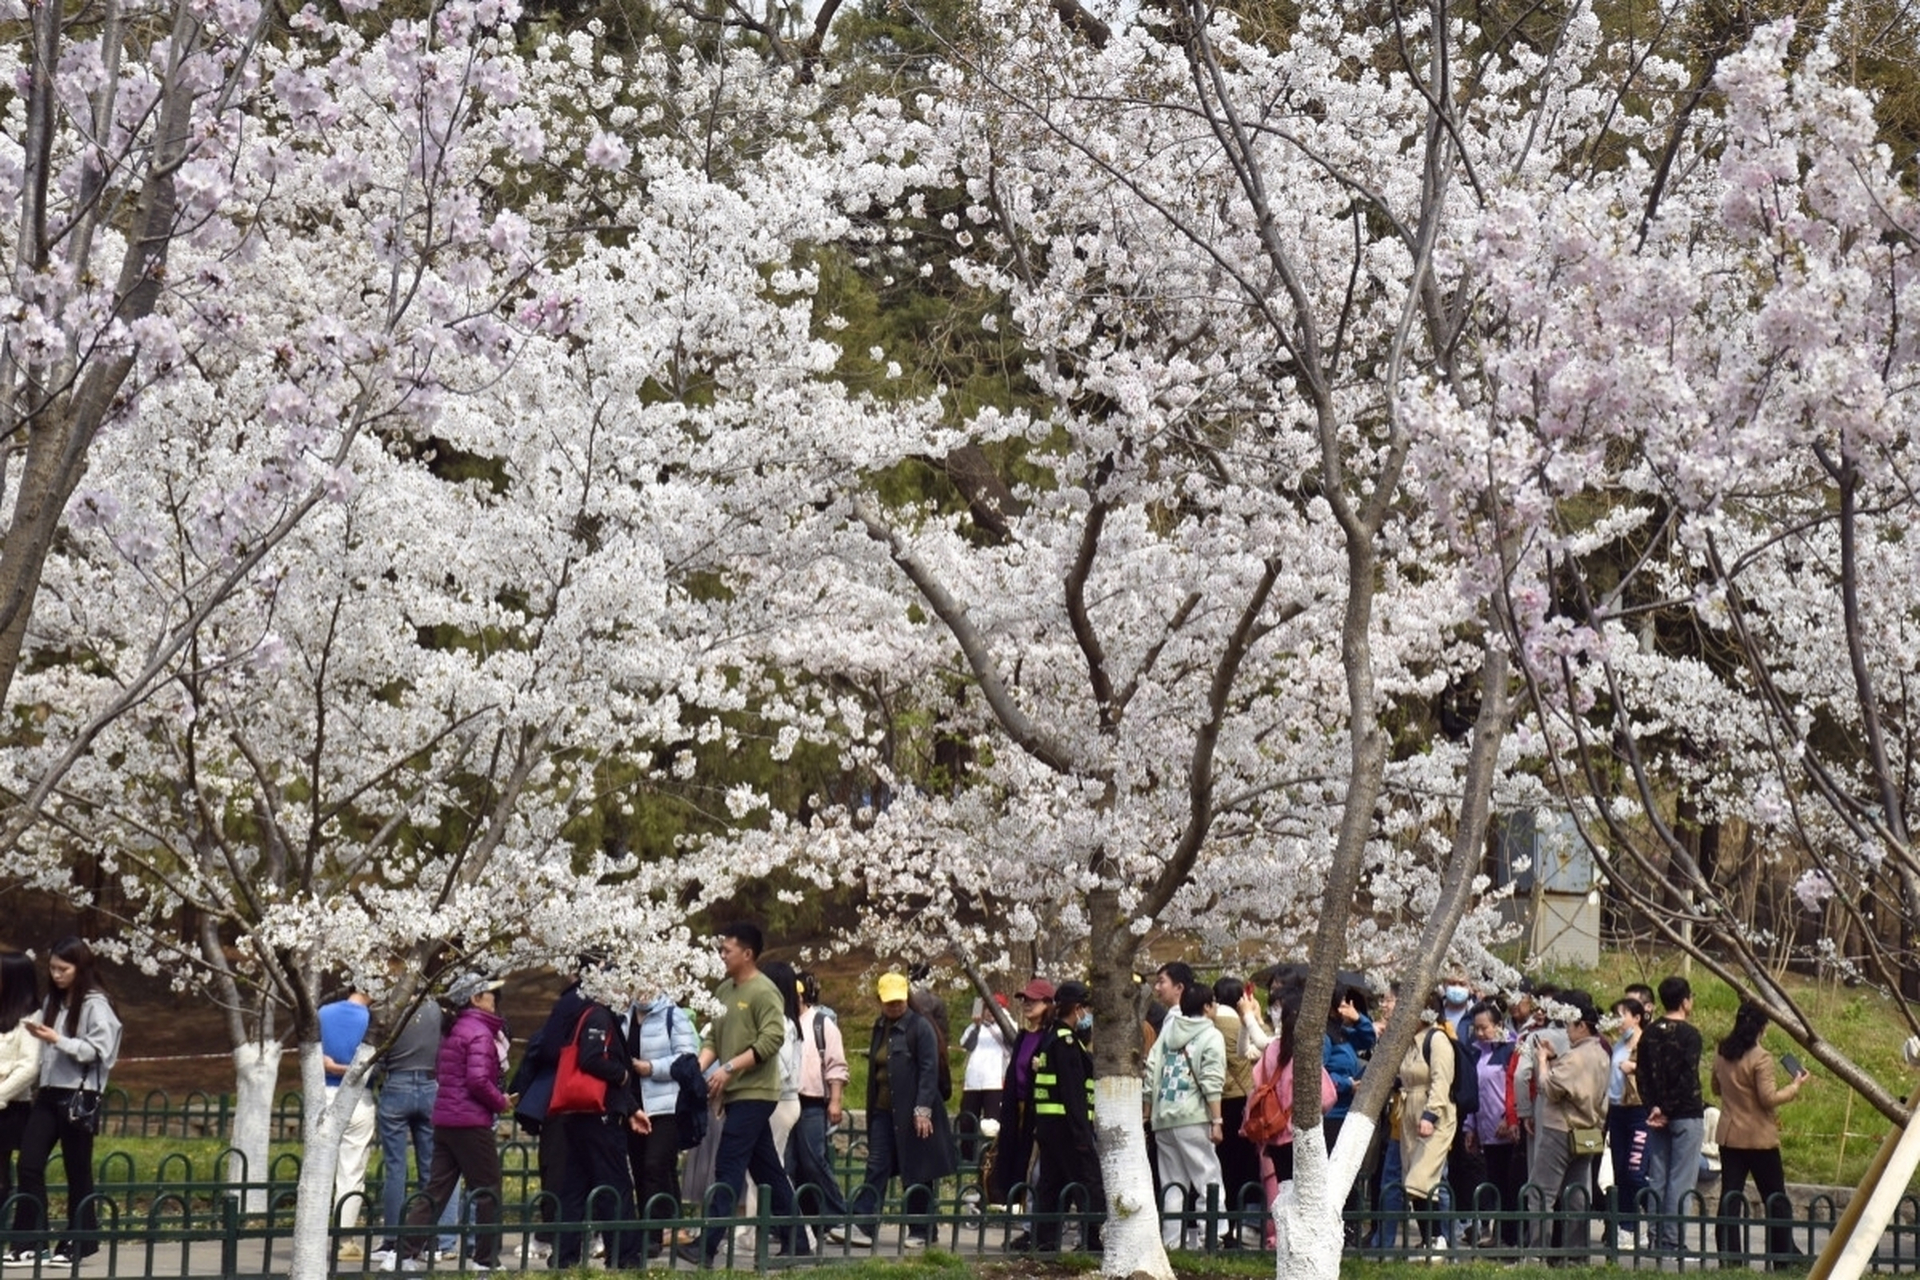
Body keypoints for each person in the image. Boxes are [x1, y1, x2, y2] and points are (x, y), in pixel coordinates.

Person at [684, 923, 805, 1265]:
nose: (721, 955)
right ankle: (798, 1242)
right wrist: (699, 1066)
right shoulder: (723, 990)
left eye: (727, 950)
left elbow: (771, 1040)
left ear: (747, 954)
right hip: (737, 1091)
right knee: (768, 1169)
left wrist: (729, 1068)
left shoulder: (765, 992)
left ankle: (706, 1247)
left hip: (757, 1091)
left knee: (728, 1164)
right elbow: (712, 1037)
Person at [388, 976, 513, 1271]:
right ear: (475, 998)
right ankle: (485, 1260)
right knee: (487, 1190)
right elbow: (478, 1080)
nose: (495, 999)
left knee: (436, 1190)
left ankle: (403, 1253)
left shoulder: (454, 1029)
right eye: (490, 994)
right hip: (470, 1121)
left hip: (446, 1119)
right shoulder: (480, 1033)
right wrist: (501, 1101)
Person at [14, 938, 121, 1264]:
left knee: (78, 1170)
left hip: (79, 1094)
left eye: (65, 969)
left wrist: (58, 1040)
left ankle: (78, 1242)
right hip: (47, 1094)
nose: (57, 974)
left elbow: (101, 1052)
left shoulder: (95, 1003)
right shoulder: (53, 1000)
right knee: (29, 1163)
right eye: (53, 968)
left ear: (81, 968)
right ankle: (30, 1241)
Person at [838, 973, 958, 1249]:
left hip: (913, 1111)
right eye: (889, 1002)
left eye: (899, 1001)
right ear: (879, 1001)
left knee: (917, 1167)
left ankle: (923, 1228)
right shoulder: (880, 1027)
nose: (894, 1007)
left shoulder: (920, 1027)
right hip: (883, 1110)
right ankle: (864, 1224)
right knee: (877, 1164)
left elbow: (929, 1070)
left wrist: (922, 1108)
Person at [1710, 1001, 1810, 1268]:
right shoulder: (1761, 1057)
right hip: (1759, 1139)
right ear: (1761, 1028)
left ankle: (1729, 1257)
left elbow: (1715, 1088)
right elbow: (1768, 1099)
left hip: (1730, 1136)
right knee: (1775, 1198)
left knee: (1730, 1197)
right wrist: (1795, 1086)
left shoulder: (1722, 1051)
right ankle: (1782, 1255)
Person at [507, 961, 593, 1255]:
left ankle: (551, 1232)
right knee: (586, 1166)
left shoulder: (571, 1000)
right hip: (594, 1096)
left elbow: (549, 1047)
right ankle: (586, 1231)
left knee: (556, 1164)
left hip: (563, 1093)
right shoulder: (601, 1001)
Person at [1527, 990, 1609, 1259]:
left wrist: (1541, 1061)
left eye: (1569, 1025)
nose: (1567, 1031)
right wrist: (1554, 1060)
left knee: (1542, 1193)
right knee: (1576, 1194)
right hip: (1587, 1131)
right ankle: (1577, 1254)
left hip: (1560, 1129)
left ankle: (1536, 1253)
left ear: (1581, 1025)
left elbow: (1549, 1088)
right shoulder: (1600, 1053)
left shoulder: (1576, 1057)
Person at [1146, 984, 1228, 1249]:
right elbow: (1211, 1081)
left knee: (1172, 1182)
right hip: (1193, 1117)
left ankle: (1172, 1241)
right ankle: (1212, 1235)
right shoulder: (1211, 1035)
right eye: (1213, 1003)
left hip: (1164, 1118)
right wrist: (1217, 1121)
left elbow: (1151, 1069)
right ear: (1206, 1007)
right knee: (1207, 1177)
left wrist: (1148, 1109)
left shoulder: (1169, 1031)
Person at [370, 994, 449, 1267]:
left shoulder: (389, 1006)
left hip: (397, 1083)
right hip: (429, 1085)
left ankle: (392, 1239)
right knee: (430, 1169)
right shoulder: (434, 1008)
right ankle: (429, 1240)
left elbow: (378, 1053)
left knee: (395, 1168)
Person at [1029, 981, 1103, 1253]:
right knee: (1087, 1182)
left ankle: (1044, 1241)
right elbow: (1073, 1094)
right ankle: (1095, 1241)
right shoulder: (1067, 1042)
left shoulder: (1051, 1037)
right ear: (1078, 1009)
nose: (1088, 1015)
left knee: (1051, 1185)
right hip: (1068, 1130)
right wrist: (1083, 1134)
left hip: (1050, 1128)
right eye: (1086, 1008)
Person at [623, 988, 697, 1256]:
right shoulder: (624, 1016)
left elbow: (688, 1058)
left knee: (655, 1164)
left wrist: (651, 1067)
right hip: (633, 1105)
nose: (643, 990)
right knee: (641, 1168)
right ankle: (656, 1227)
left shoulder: (672, 1015)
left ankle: (653, 1235)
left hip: (666, 1104)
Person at [1640, 976, 1707, 1253]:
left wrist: (1654, 1107)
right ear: (1684, 1001)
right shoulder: (1690, 1035)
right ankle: (1671, 1239)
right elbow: (1686, 1076)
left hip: (1656, 1115)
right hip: (1685, 1113)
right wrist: (1668, 1108)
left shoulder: (1650, 1033)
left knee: (1657, 1176)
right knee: (1681, 1178)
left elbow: (1642, 1075)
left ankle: (1655, 1235)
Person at [788, 971, 854, 1240]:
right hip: (785, 1100)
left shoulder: (821, 1023)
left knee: (814, 1160)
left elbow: (836, 1065)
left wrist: (835, 1100)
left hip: (813, 1101)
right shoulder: (783, 1023)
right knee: (789, 1164)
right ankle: (801, 1221)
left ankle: (837, 1216)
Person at [995, 978, 1054, 1250]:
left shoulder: (1051, 1037)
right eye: (1025, 1000)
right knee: (1024, 1169)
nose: (1027, 1004)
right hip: (1017, 1112)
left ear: (1048, 1004)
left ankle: (1039, 1229)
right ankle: (1030, 1227)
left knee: (1038, 1173)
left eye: (1034, 1000)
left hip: (1040, 1113)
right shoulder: (1023, 1036)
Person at [1397, 994, 1457, 1257]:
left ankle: (1439, 1237)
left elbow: (1441, 1082)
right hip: (1409, 1111)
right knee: (1413, 1182)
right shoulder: (1411, 1042)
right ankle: (1427, 1239)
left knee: (1422, 1178)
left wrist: (1430, 1116)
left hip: (1434, 1114)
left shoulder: (1438, 1040)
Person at [318, 985, 379, 1243]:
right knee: (351, 1170)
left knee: (319, 1166)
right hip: (358, 1097)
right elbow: (376, 1065)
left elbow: (312, 1054)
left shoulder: (323, 1013)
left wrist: (331, 1066)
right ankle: (344, 1238)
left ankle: (315, 1232)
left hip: (323, 1093)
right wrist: (351, 1070)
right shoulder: (373, 1020)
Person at [1463, 1001, 1521, 1247]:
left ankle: (1510, 1237)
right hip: (1484, 1128)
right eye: (1476, 1028)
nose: (1479, 1033)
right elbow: (1474, 1090)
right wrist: (1470, 1127)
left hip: (1506, 1129)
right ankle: (1498, 1234)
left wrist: (1509, 1119)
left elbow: (1515, 1087)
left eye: (1484, 1027)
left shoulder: (1511, 1049)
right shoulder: (1476, 1051)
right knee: (1495, 1183)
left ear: (1498, 1025)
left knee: (1509, 1185)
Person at [0, 952, 42, 1265]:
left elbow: (29, 1066)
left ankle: (24, 1240)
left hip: (13, 1107)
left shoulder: (31, 1016)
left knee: (8, 1175)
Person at [1209, 978, 1259, 1220]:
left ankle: (1222, 1216)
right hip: (1244, 1098)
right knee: (1245, 1163)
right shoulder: (1242, 1023)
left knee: (1222, 1162)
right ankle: (1244, 1217)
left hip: (1218, 1100)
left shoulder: (1211, 1023)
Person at [1607, 996, 1651, 1252]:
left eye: (1621, 1015)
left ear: (1636, 1017)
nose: (1617, 1021)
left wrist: (1634, 1067)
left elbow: (1655, 1071)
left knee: (1635, 1170)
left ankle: (1647, 1218)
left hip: (1638, 1112)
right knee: (1620, 1171)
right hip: (1617, 1112)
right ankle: (1625, 1226)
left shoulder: (1645, 1043)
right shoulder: (1617, 1044)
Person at [958, 995, 1010, 1164]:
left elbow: (1012, 1040)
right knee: (967, 1120)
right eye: (988, 1008)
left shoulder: (1007, 1026)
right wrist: (976, 1024)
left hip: (995, 1081)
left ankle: (991, 1157)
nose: (990, 1013)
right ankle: (966, 1157)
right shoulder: (976, 1027)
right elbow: (966, 1043)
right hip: (973, 1082)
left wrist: (1004, 1019)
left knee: (992, 1124)